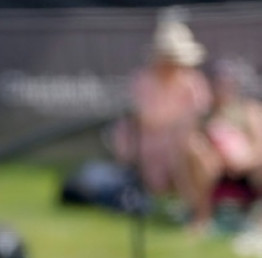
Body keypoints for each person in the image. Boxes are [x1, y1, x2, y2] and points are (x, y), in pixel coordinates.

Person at [110, 17, 212, 232]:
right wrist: (176, 125)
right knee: (184, 152)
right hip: (149, 146)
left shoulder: (192, 81)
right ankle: (196, 213)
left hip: (186, 142)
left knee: (197, 154)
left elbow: (198, 115)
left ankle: (201, 212)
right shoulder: (143, 80)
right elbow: (145, 119)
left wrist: (181, 129)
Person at [188, 57, 262, 232]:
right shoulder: (203, 115)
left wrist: (244, 161)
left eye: (227, 83)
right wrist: (219, 158)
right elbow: (192, 142)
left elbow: (259, 144)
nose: (223, 88)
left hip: (249, 168)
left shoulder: (249, 110)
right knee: (194, 153)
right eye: (218, 83)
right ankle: (202, 218)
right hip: (215, 169)